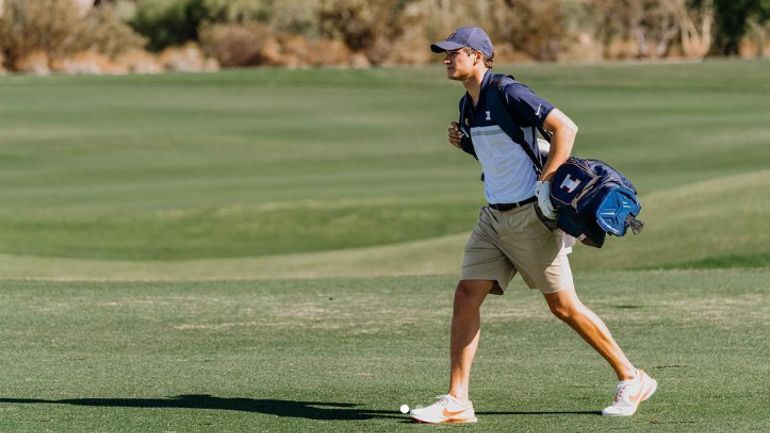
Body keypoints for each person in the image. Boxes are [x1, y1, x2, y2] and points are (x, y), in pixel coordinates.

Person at [409, 26, 656, 424]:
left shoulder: (508, 91)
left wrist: (546, 184)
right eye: (446, 53)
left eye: (454, 52)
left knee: (563, 306)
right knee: (466, 295)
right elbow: (502, 156)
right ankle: (458, 400)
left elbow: (566, 129)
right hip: (493, 216)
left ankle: (633, 377)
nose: (446, 58)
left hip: (532, 217)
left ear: (477, 56)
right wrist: (467, 143)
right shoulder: (467, 104)